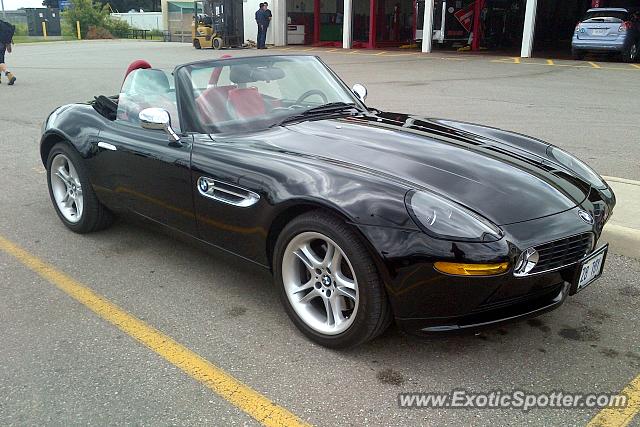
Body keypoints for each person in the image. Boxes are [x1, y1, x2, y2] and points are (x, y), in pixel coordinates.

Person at [0, 19, 17, 85]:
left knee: (0, 62)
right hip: (3, 44)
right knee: (1, 61)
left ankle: (9, 74)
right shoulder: (3, 23)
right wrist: (8, 43)